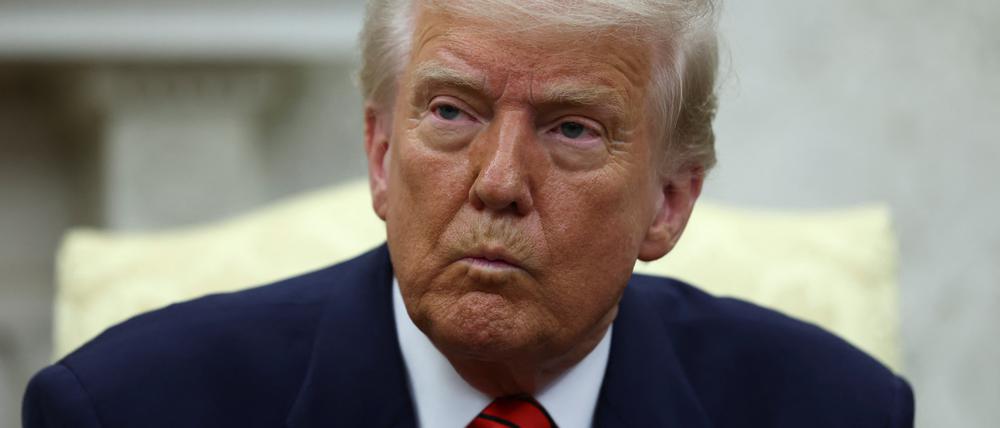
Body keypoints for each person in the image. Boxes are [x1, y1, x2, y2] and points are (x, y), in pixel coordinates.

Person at [23, 1, 914, 427]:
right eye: (451, 112)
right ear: (380, 155)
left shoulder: (836, 411)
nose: (498, 182)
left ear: (670, 200)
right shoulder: (127, 411)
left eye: (571, 129)